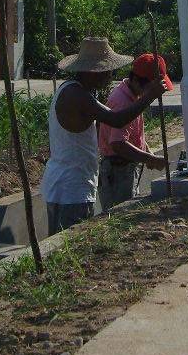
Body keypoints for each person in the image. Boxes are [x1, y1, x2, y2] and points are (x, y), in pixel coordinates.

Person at [41, 37, 167, 236]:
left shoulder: (76, 91)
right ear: (93, 71)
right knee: (72, 243)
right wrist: (149, 97)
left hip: (66, 184)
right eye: (106, 71)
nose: (110, 76)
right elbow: (116, 120)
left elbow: (107, 121)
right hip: (72, 188)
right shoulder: (76, 95)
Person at [98, 53, 170, 212]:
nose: (153, 94)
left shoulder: (133, 96)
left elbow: (133, 135)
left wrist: (148, 153)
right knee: (119, 214)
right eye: (152, 89)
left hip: (126, 167)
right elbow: (118, 144)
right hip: (117, 170)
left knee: (129, 210)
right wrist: (150, 159)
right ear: (137, 81)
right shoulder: (123, 101)